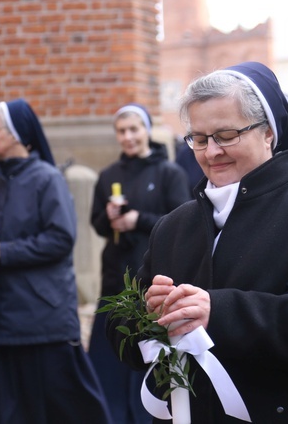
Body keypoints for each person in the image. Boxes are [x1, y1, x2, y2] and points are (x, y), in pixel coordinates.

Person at [109, 61, 288, 422]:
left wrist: (216, 313)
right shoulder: (172, 226)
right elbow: (123, 337)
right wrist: (148, 315)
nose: (211, 152)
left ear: (268, 132)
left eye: (226, 135)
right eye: (200, 139)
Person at [0, 99, 111, 424]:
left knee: (60, 411)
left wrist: (3, 251)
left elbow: (60, 238)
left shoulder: (47, 180)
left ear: (16, 134)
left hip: (40, 321)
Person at [88, 104, 190, 424]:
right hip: (115, 277)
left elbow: (180, 220)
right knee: (109, 359)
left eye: (134, 129)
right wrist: (110, 219)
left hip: (151, 278)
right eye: (121, 131)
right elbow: (97, 224)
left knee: (145, 356)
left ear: (146, 130)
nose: (128, 137)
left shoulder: (169, 173)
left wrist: (138, 219)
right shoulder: (109, 175)